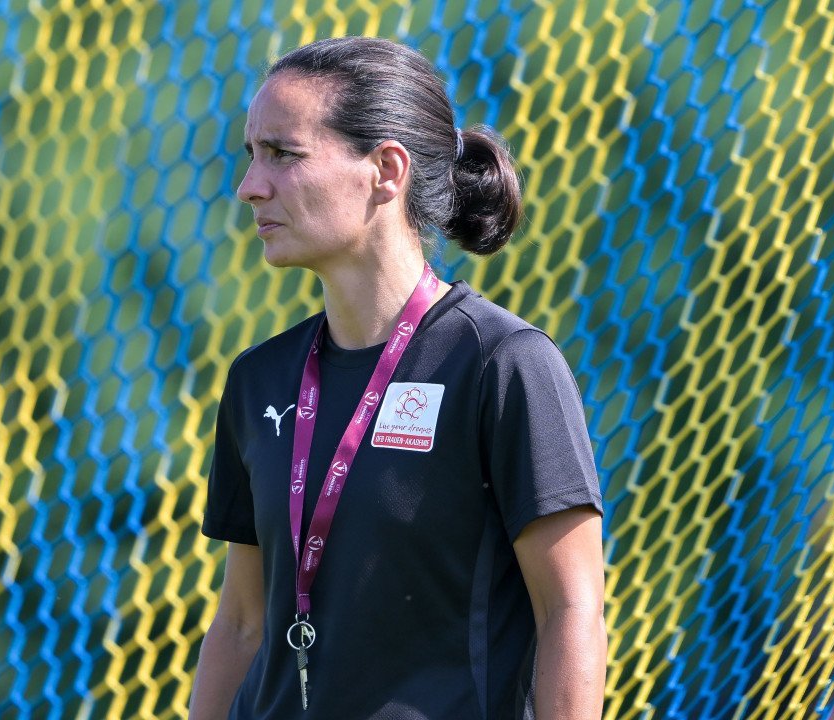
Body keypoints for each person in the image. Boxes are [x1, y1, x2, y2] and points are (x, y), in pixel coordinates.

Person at [190, 36, 606, 719]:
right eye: (250, 155)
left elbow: (572, 608)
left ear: (386, 170)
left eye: (283, 155)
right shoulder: (258, 381)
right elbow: (240, 623)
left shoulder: (504, 365)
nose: (249, 187)